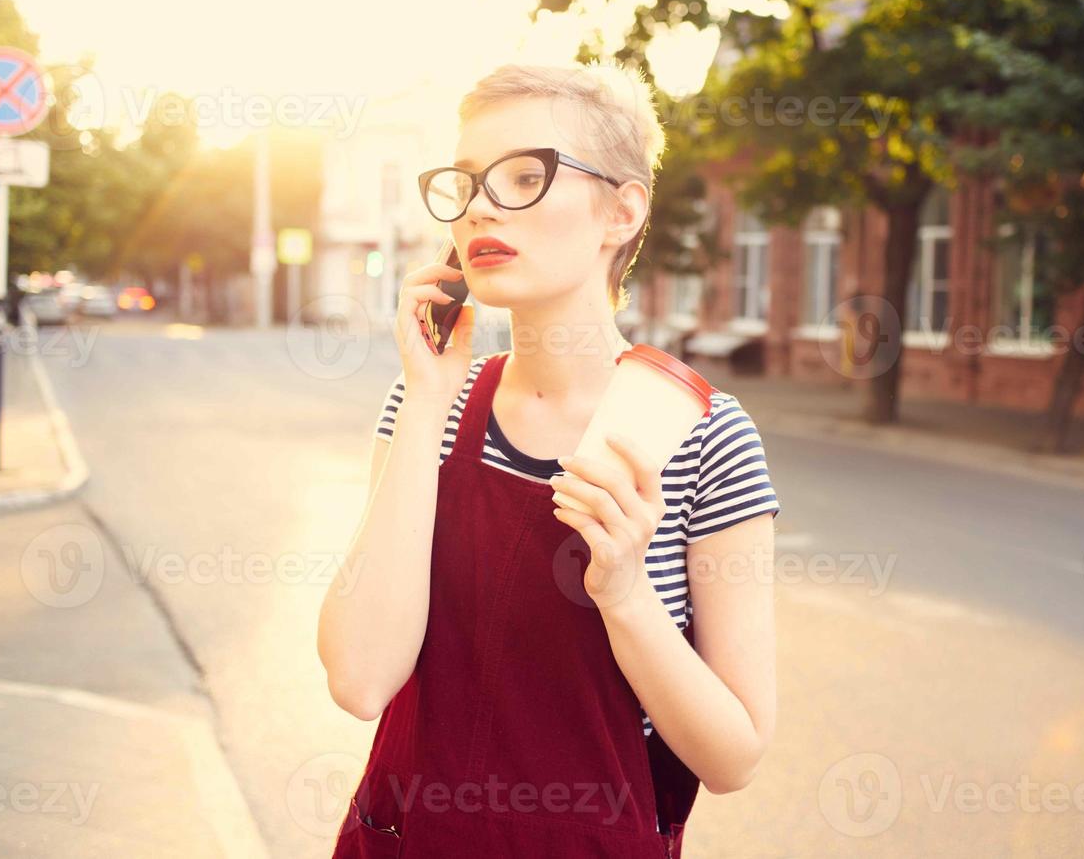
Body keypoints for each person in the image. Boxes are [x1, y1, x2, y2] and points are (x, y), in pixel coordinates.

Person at [317, 61, 781, 857]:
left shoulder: (704, 437)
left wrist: (627, 595)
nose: (481, 207)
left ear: (621, 212)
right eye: (464, 183)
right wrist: (427, 397)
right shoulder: (429, 404)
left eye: (526, 176)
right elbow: (360, 680)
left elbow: (732, 755)